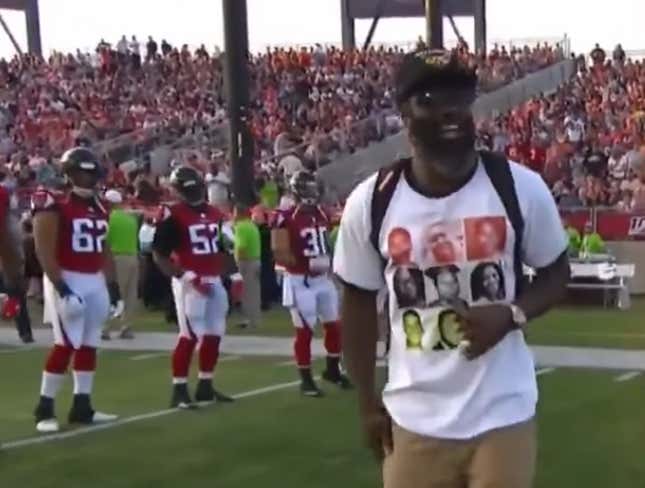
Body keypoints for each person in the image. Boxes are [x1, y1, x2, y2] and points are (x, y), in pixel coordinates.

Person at [334, 49, 570, 488]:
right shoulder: (373, 201)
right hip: (414, 414)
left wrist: (511, 314)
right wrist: (366, 400)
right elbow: (358, 300)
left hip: (503, 410)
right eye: (430, 99)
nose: (451, 113)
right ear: (404, 114)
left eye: (460, 100)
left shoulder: (519, 187)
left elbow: (557, 273)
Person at [31, 147, 121, 433]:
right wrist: (61, 287)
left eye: (93, 173)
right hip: (66, 276)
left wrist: (113, 285)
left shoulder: (101, 206)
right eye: (85, 172)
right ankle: (44, 407)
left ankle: (82, 404)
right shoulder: (53, 203)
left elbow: (105, 248)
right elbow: (44, 249)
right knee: (65, 343)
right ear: (69, 173)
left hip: (93, 277)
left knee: (90, 342)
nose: (91, 178)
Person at [152, 165, 233, 409]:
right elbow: (160, 255)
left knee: (215, 333)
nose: (193, 190)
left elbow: (224, 248)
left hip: (213, 278)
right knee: (189, 335)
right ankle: (179, 389)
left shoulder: (214, 213)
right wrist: (186, 276)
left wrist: (235, 276)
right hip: (189, 282)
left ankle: (205, 386)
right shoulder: (172, 214)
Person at [271, 170, 351, 397]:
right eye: (308, 189)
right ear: (298, 191)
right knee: (304, 331)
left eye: (313, 188)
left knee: (334, 326)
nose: (313, 193)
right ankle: (305, 379)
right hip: (300, 280)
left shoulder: (321, 214)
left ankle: (332, 370)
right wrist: (303, 263)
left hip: (322, 279)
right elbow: (279, 252)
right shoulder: (286, 217)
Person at [103, 189, 139, 339]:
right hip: (132, 256)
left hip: (116, 257)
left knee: (112, 294)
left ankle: (105, 328)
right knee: (130, 294)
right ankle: (126, 326)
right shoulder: (131, 219)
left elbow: (106, 241)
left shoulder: (109, 219)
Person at [0, 185, 30, 342]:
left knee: (14, 291)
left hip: (6, 248)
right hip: (8, 247)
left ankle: (24, 330)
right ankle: (25, 331)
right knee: (14, 291)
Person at [233, 204, 262, 330]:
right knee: (254, 292)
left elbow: (241, 247)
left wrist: (237, 264)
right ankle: (253, 319)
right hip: (256, 260)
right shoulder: (252, 225)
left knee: (245, 292)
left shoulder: (241, 227)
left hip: (246, 262)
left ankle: (248, 320)